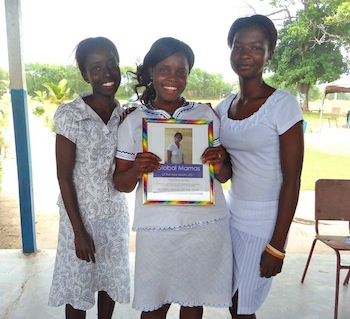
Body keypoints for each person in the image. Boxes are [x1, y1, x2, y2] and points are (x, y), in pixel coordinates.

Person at [113, 37, 233, 319]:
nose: (173, 78)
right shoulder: (134, 121)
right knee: (154, 303)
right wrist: (136, 169)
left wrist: (218, 163)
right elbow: (121, 183)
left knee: (192, 301)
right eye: (165, 69)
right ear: (151, 72)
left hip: (203, 225)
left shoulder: (205, 115)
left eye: (182, 71)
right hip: (157, 228)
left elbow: (224, 177)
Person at [215, 15, 304, 319]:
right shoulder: (222, 108)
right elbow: (225, 173)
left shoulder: (283, 105)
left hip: (264, 221)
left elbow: (293, 180)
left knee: (243, 306)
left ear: (269, 54)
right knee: (230, 300)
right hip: (230, 214)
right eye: (238, 46)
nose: (245, 54)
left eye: (255, 47)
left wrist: (277, 245)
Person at [48, 37, 130, 319]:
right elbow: (64, 176)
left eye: (112, 65)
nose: (106, 74)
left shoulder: (125, 115)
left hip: (114, 215)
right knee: (79, 290)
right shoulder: (71, 115)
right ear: (85, 74)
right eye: (96, 68)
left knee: (109, 285)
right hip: (79, 217)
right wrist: (79, 232)